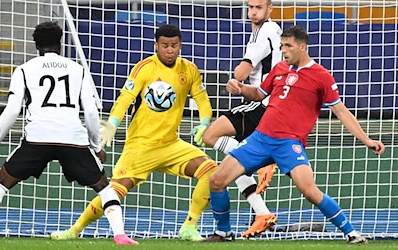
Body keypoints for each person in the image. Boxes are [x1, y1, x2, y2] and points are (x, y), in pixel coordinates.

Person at [205, 25, 385, 243]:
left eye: (288, 46)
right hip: (260, 139)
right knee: (216, 180)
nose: (284, 51)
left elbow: (341, 112)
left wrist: (366, 139)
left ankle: (352, 233)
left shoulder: (321, 76)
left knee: (310, 191)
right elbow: (258, 94)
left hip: (289, 144)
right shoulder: (279, 68)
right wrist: (241, 89)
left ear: (303, 46)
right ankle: (224, 232)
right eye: (282, 46)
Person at [0, 21, 138, 245]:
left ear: (36, 45)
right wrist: (96, 146)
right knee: (104, 187)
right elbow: (90, 111)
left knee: (1, 183)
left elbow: (11, 110)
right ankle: (120, 235)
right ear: (60, 44)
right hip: (73, 139)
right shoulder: (78, 70)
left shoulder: (24, 70)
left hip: (38, 138)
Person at [50, 24, 217, 242]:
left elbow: (202, 99)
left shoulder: (189, 69)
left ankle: (189, 226)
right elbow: (125, 98)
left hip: (171, 144)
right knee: (115, 190)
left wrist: (205, 122)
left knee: (211, 170)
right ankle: (75, 230)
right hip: (140, 146)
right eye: (165, 45)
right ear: (156, 45)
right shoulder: (144, 68)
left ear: (180, 45)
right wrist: (112, 124)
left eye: (174, 45)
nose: (170, 50)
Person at [192, 0, 282, 238]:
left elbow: (242, 71)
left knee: (210, 135)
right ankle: (261, 212)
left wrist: (236, 81)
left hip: (260, 103)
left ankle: (260, 163)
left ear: (269, 9)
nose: (253, 12)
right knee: (235, 163)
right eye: (250, 7)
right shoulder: (267, 30)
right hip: (267, 103)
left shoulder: (266, 31)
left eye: (258, 7)